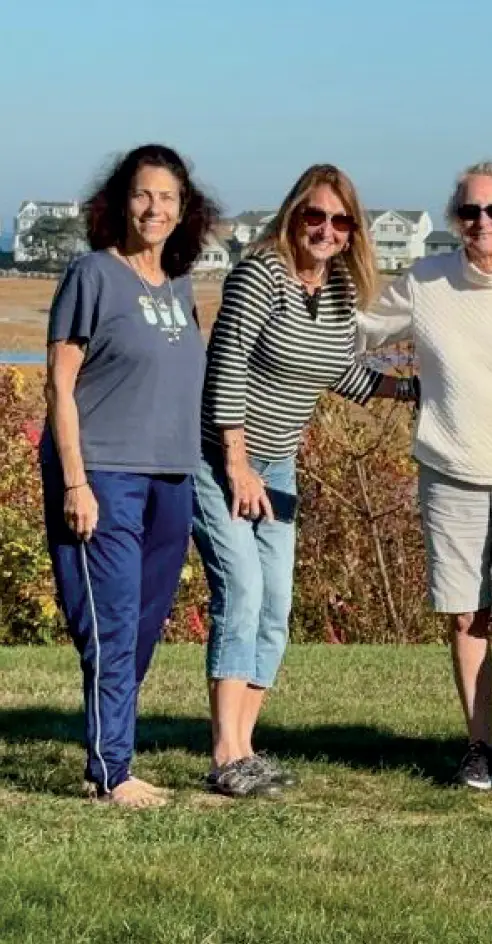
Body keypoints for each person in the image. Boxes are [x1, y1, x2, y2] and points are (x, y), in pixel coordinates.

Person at [356, 162, 492, 794]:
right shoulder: (424, 282)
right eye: (470, 212)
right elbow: (352, 332)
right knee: (464, 617)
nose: (483, 223)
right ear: (455, 218)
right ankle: (480, 747)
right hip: (448, 472)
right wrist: (393, 387)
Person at [194, 164, 417, 798]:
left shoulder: (341, 291)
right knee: (239, 593)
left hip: (279, 465)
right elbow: (226, 367)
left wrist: (414, 390)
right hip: (220, 459)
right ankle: (224, 753)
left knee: (276, 606)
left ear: (353, 232)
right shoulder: (259, 275)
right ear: (293, 215)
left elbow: (340, 373)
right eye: (313, 216)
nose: (325, 229)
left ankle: (246, 746)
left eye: (339, 221)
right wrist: (236, 465)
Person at [41, 144, 219, 808]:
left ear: (185, 210)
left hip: (170, 479)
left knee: (142, 628)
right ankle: (113, 770)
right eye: (143, 194)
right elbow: (59, 385)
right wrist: (77, 482)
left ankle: (107, 750)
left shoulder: (177, 285)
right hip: (104, 476)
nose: (155, 207)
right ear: (121, 202)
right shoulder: (92, 274)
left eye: (168, 197)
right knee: (111, 624)